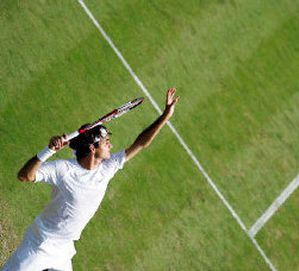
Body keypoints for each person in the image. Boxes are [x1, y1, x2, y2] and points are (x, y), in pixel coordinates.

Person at [2, 88, 180, 271]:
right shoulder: (64, 169)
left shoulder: (107, 168)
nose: (110, 144)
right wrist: (48, 151)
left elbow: (140, 143)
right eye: (105, 142)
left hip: (64, 250)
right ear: (92, 148)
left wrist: (165, 115)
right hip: (40, 245)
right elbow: (24, 176)